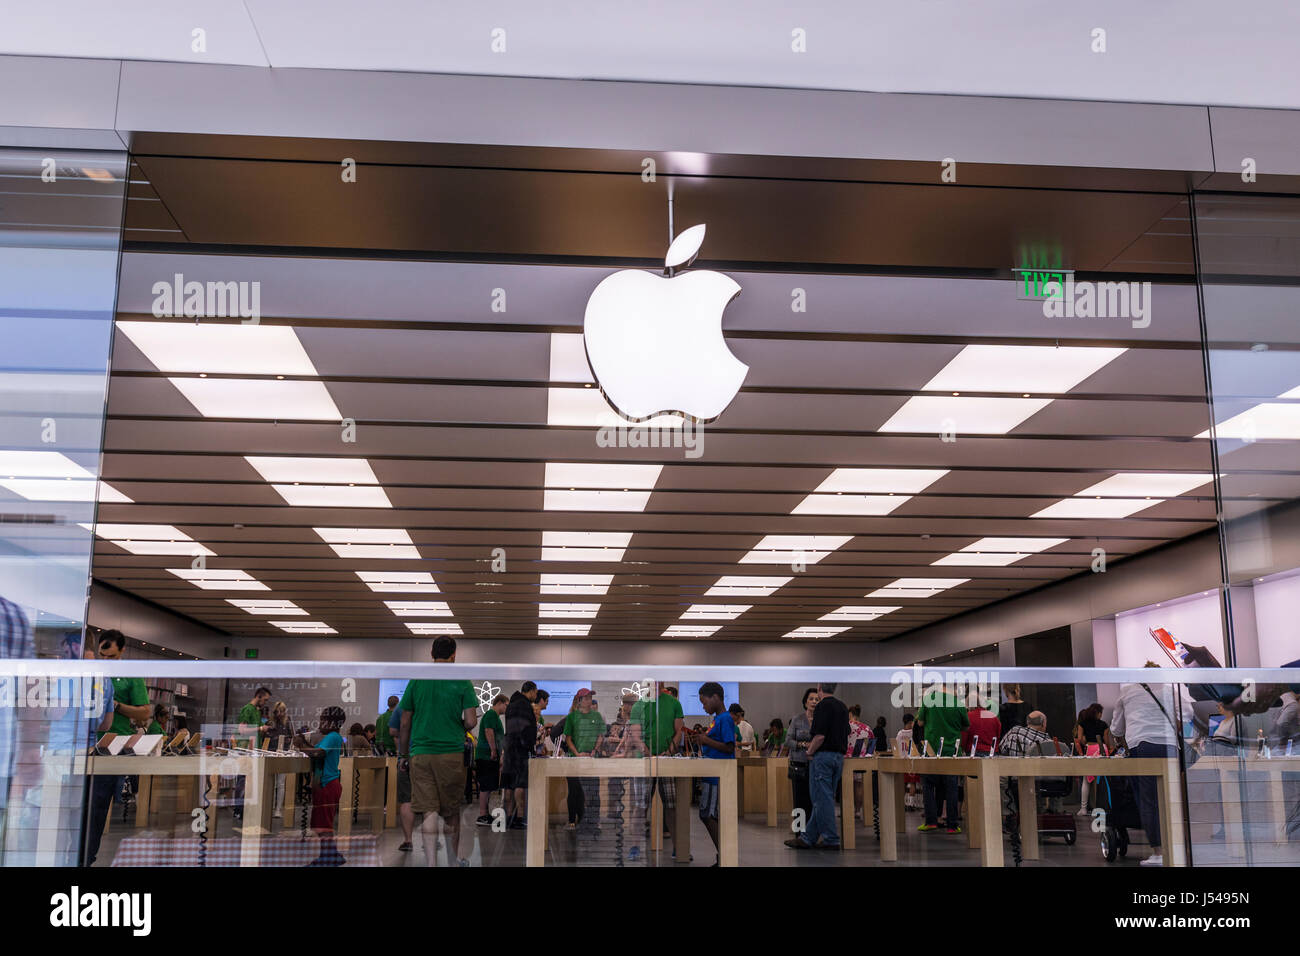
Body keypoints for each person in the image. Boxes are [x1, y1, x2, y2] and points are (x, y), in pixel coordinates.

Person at [397, 636, 479, 867]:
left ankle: (432, 863)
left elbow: (404, 722)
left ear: (432, 653)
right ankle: (453, 862)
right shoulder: (461, 680)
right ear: (454, 654)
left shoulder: (418, 679)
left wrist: (403, 755)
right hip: (451, 753)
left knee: (428, 811)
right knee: (451, 811)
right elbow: (471, 721)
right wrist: (456, 725)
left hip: (421, 753)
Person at [1110, 666, 1193, 866]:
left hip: (1142, 746)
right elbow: (1188, 713)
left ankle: (1158, 852)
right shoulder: (1169, 690)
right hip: (1169, 746)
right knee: (1171, 798)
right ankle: (1177, 848)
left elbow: (1116, 728)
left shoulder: (1127, 691)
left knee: (1148, 799)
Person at [83, 629, 150, 866]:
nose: (106, 660)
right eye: (102, 655)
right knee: (77, 803)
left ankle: (88, 857)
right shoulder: (91, 672)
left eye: (111, 656)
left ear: (122, 651)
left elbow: (145, 712)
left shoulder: (131, 676)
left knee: (98, 804)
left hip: (113, 744)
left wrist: (117, 705)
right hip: (85, 742)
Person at [629, 681, 687, 861]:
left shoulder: (674, 703)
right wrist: (644, 749)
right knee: (640, 806)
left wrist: (669, 750)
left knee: (671, 805)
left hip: (667, 761)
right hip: (644, 761)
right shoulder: (639, 705)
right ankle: (634, 846)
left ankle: (679, 848)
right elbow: (635, 734)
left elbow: (679, 730)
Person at [788, 681, 849, 850]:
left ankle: (831, 839)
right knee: (824, 798)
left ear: (820, 688)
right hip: (839, 757)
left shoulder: (823, 707)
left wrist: (809, 752)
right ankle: (808, 837)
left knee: (822, 800)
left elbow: (820, 736)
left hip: (823, 758)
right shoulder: (843, 707)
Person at [294, 705, 347, 866]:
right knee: (320, 823)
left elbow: (318, 754)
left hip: (327, 785)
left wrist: (301, 745)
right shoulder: (329, 738)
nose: (319, 724)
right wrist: (303, 742)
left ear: (332, 724)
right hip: (324, 785)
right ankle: (331, 854)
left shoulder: (332, 737)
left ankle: (327, 857)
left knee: (323, 824)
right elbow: (315, 751)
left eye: (323, 721)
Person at [915, 685, 968, 834]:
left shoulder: (929, 699)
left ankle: (931, 821)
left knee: (928, 785)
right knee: (951, 787)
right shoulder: (958, 703)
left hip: (931, 750)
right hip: (952, 751)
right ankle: (952, 825)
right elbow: (965, 726)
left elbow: (919, 722)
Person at [693, 682, 736, 866]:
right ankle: (724, 855)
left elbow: (729, 747)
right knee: (710, 815)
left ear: (716, 698)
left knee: (707, 814)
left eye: (704, 702)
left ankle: (725, 854)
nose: (703, 707)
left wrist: (705, 740)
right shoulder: (717, 719)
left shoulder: (725, 719)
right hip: (711, 774)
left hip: (717, 776)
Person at [563, 688, 606, 833]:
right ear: (579, 700)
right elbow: (568, 738)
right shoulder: (572, 717)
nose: (589, 700)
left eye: (590, 698)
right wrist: (577, 753)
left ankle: (594, 821)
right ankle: (573, 820)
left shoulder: (597, 716)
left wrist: (594, 750)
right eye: (586, 698)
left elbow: (601, 735)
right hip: (575, 760)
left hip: (592, 759)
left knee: (594, 791)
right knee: (574, 790)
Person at [502, 681, 539, 830]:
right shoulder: (524, 706)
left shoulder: (511, 704)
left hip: (510, 747)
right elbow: (525, 729)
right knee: (519, 783)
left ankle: (509, 817)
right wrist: (529, 746)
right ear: (530, 691)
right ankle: (520, 817)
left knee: (509, 784)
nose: (535, 696)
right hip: (521, 749)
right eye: (535, 693)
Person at [781, 688, 818, 825]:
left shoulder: (821, 720)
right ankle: (799, 833)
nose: (814, 702)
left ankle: (812, 832)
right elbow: (788, 741)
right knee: (799, 801)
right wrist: (803, 744)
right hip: (799, 765)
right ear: (805, 702)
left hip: (816, 764)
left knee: (813, 801)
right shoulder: (797, 719)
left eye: (817, 699)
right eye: (811, 699)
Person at [475, 694, 508, 826]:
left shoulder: (496, 717)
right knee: (485, 785)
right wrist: (493, 750)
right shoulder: (490, 715)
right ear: (499, 703)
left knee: (489, 786)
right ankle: (482, 815)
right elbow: (489, 731)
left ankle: (485, 814)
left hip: (491, 756)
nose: (507, 708)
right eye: (506, 705)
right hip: (486, 756)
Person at [388, 703, 415, 851]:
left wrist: (402, 750)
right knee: (429, 800)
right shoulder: (428, 704)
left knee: (406, 800)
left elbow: (393, 731)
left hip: (406, 758)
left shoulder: (401, 706)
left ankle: (408, 841)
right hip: (426, 756)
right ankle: (430, 840)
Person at [896, 714, 921, 809]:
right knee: (913, 783)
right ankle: (910, 804)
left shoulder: (900, 733)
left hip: (903, 760)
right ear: (911, 722)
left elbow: (897, 746)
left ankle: (901, 802)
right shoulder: (913, 733)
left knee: (903, 783)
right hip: (912, 761)